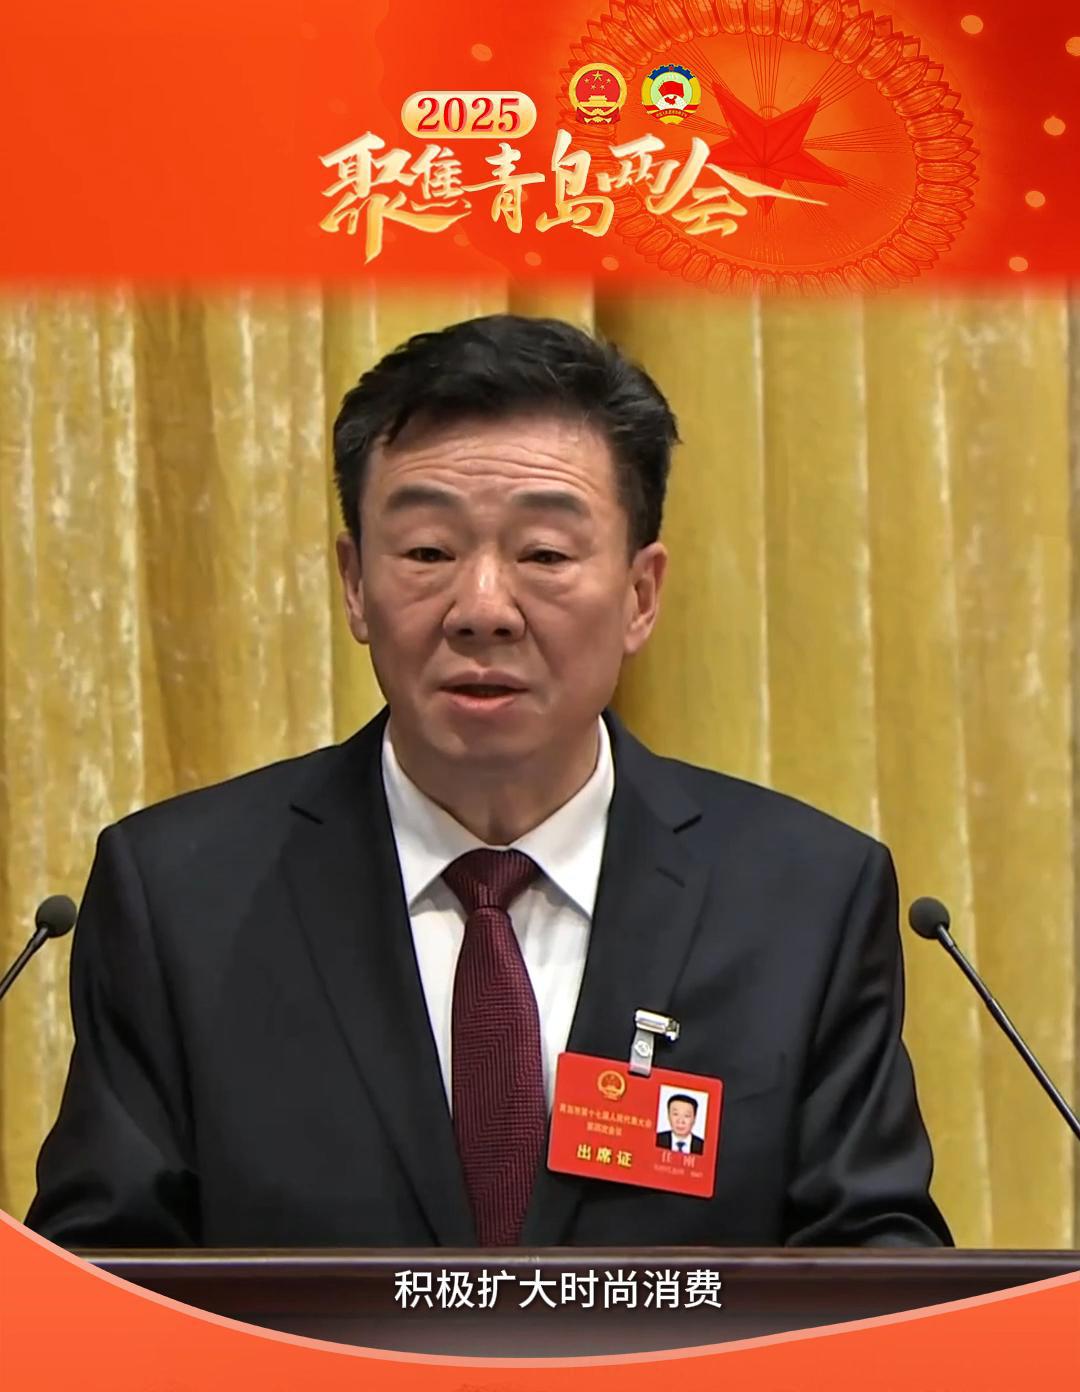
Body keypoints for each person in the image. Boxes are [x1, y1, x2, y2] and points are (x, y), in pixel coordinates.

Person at [25, 314, 951, 1252]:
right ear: (354, 583)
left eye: (544, 554)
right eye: (428, 551)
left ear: (640, 596)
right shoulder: (182, 899)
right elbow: (101, 1279)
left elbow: (877, 1268)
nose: (482, 609)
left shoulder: (804, 900)